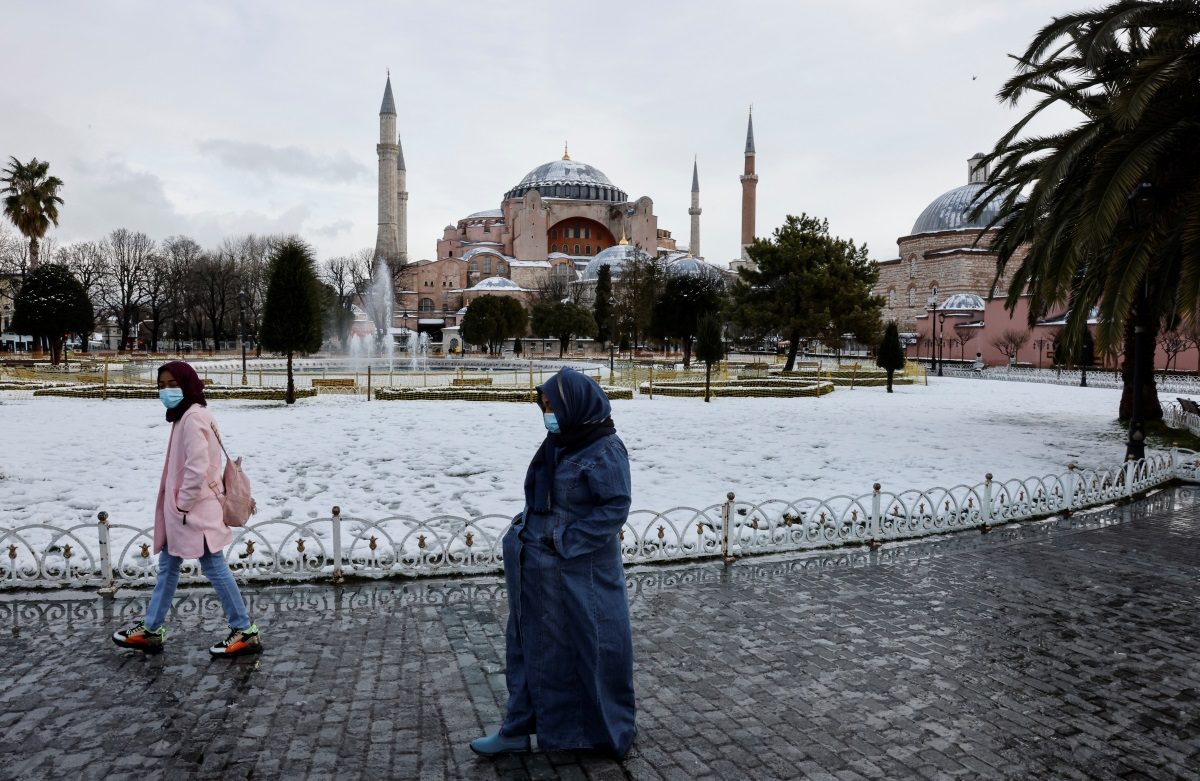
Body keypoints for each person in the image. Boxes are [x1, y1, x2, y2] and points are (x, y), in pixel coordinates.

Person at [471, 367, 637, 759]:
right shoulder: (560, 442)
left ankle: (602, 731)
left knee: (590, 648)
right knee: (530, 646)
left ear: (575, 405)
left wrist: (563, 541)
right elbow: (548, 498)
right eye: (543, 406)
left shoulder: (603, 449)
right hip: (538, 570)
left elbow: (615, 508)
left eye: (552, 406)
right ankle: (516, 727)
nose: (547, 413)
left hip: (582, 575)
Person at [112, 360, 262, 657]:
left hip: (193, 512)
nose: (166, 391)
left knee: (213, 566)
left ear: (187, 383)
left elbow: (197, 467)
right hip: (188, 510)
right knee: (169, 567)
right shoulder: (193, 413)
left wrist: (182, 505)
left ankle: (244, 630)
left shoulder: (192, 418)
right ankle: (152, 629)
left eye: (172, 384)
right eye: (161, 386)